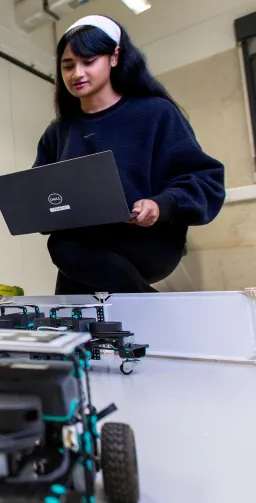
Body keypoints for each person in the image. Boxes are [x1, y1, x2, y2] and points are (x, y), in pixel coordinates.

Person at [35, 15, 225, 294]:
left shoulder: (156, 113)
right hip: (81, 247)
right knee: (65, 252)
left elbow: (205, 180)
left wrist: (160, 205)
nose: (77, 74)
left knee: (69, 254)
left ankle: (149, 306)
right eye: (68, 65)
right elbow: (40, 193)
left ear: (114, 57)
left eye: (88, 62)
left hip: (148, 239)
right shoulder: (58, 132)